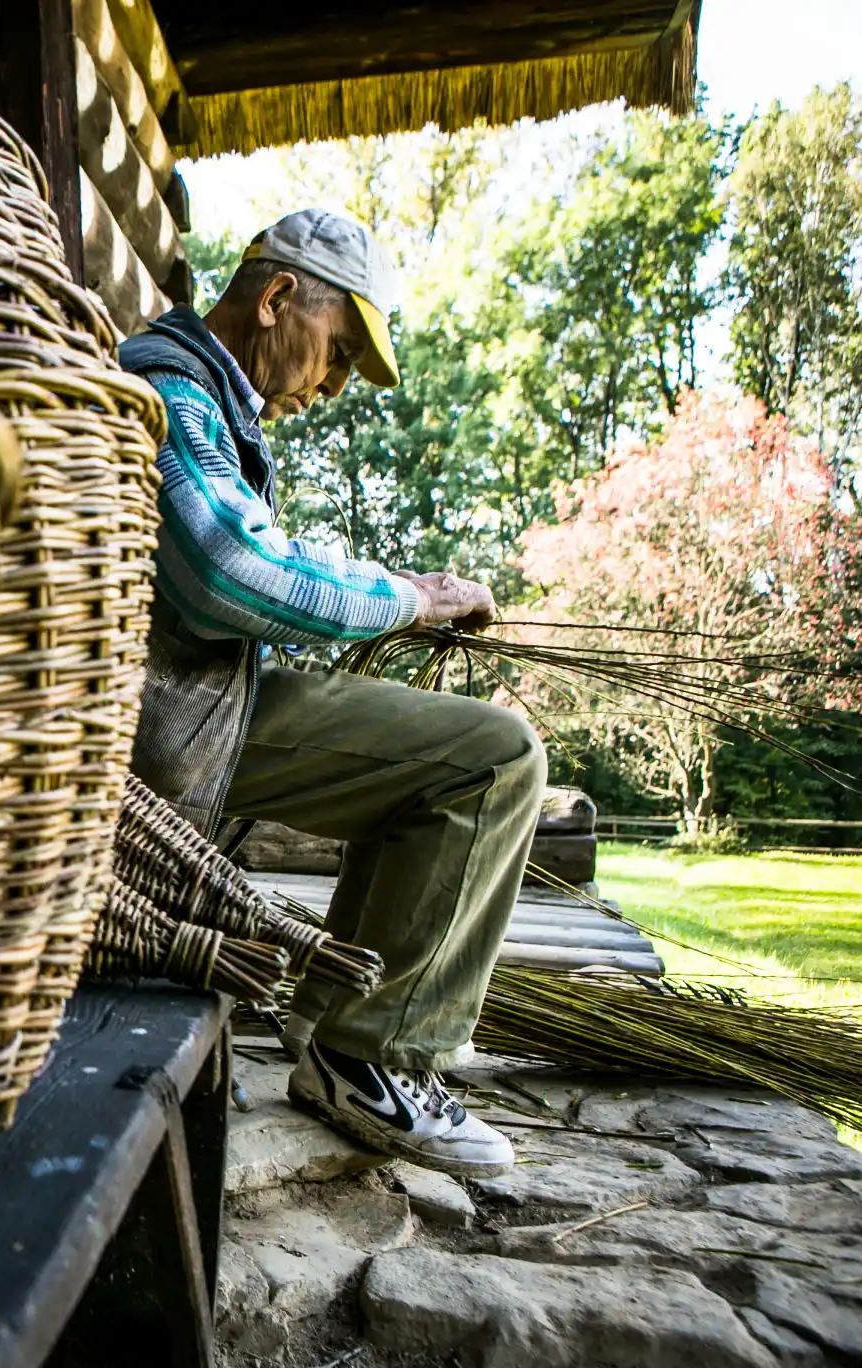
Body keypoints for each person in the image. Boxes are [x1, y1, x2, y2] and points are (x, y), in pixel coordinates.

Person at [119, 209, 546, 1178]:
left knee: (463, 755)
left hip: (185, 705)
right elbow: (231, 572)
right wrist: (406, 599)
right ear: (276, 299)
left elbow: (252, 551)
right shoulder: (170, 389)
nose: (337, 384)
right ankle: (372, 1057)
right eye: (340, 350)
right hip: (153, 729)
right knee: (490, 761)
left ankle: (339, 1020)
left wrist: (398, 601)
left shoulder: (203, 398)